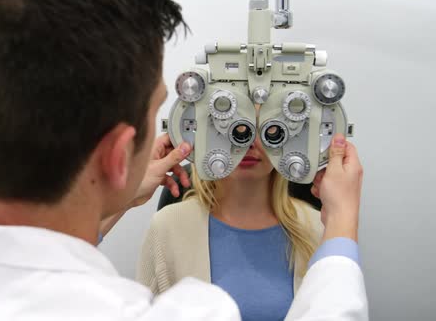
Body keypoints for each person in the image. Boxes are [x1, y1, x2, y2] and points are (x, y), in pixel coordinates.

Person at [0, 0, 367, 320]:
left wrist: (109, 203)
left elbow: (20, 273)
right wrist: (342, 225)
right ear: (121, 154)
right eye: (158, 110)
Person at [138, 129, 325, 321]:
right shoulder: (168, 227)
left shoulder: (319, 229)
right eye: (236, 125)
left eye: (266, 128)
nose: (248, 142)